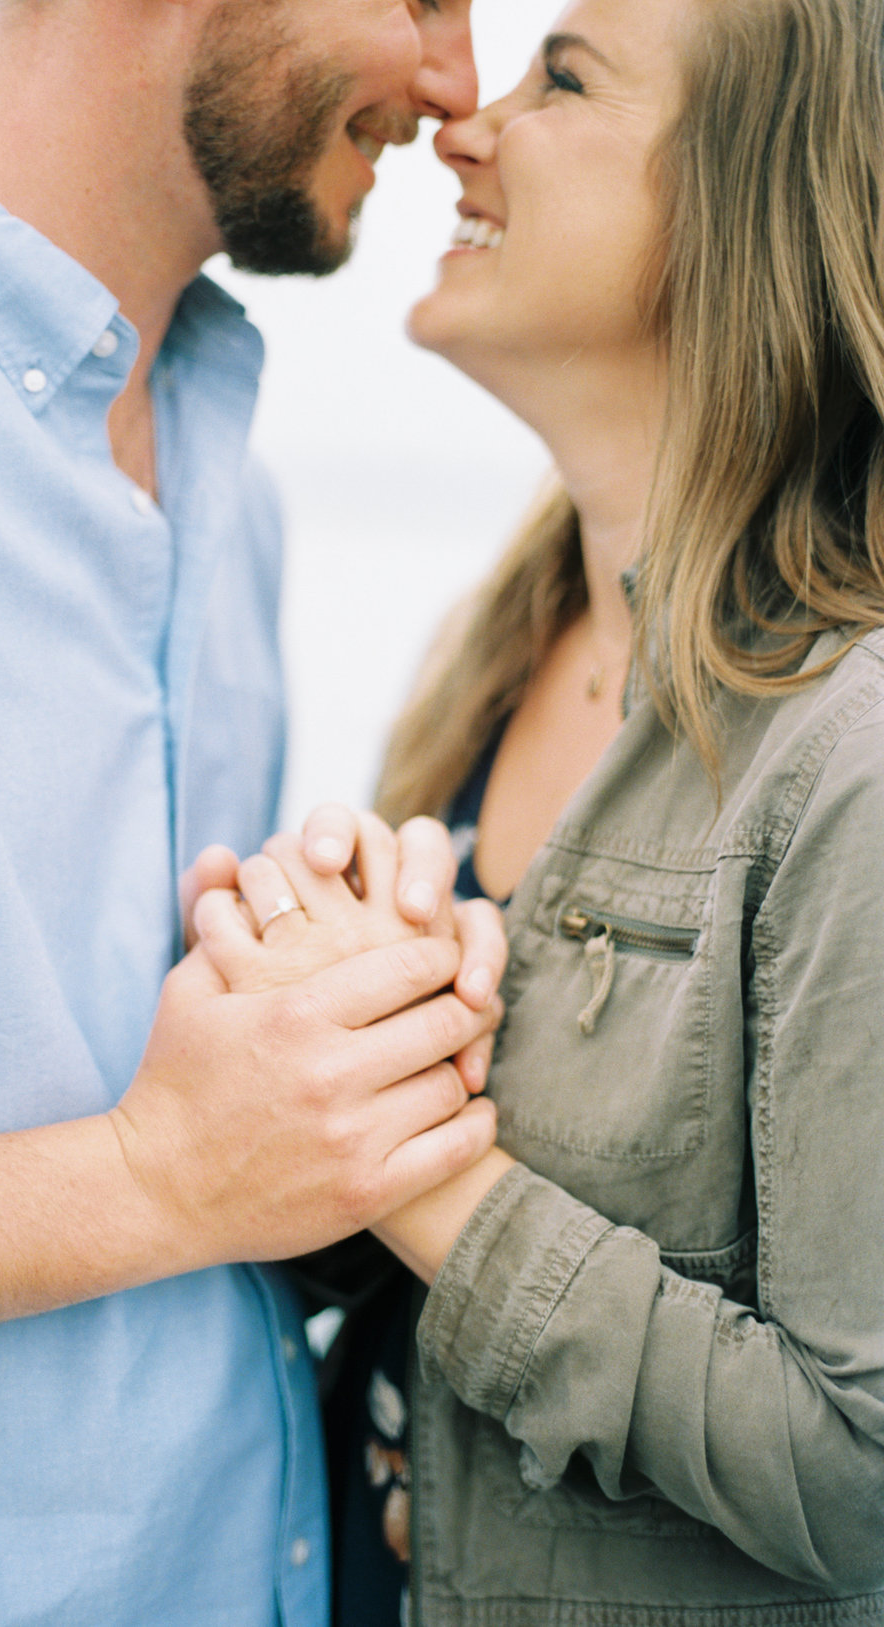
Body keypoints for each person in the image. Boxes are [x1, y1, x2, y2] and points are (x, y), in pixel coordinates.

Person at [0, 3, 506, 1623]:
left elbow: (172, 1102)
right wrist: (164, 1173)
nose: (456, 84)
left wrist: (344, 1025)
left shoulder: (223, 469)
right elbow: (173, 1158)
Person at [193, 0, 884, 1619]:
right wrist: (304, 1024)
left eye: (562, 79)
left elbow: (858, 1473)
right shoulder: (492, 656)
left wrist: (418, 1175)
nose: (463, 123)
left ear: (743, 205)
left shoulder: (851, 749)